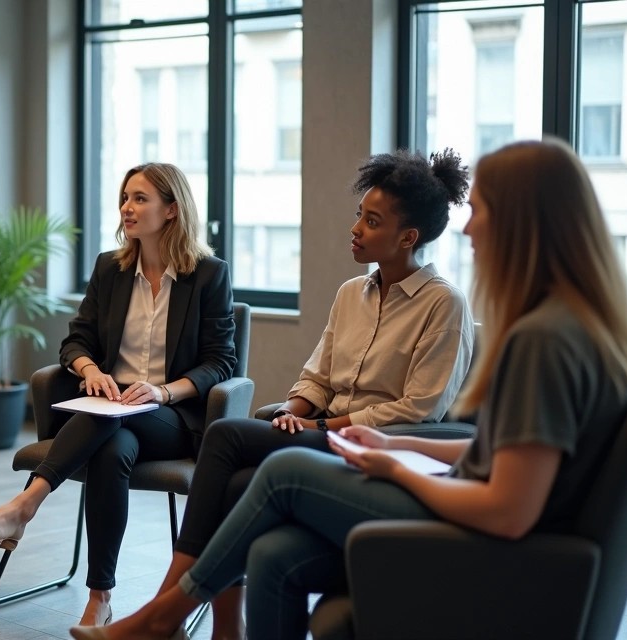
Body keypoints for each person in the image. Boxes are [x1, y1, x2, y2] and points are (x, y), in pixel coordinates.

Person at [72, 139, 627, 640]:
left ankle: (162, 614)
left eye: (483, 210)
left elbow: (508, 508)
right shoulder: (568, 327)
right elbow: (497, 453)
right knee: (272, 552)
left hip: (497, 549)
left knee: (281, 470)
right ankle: (196, 621)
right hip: (432, 474)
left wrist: (389, 456)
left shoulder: (543, 340)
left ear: (525, 223)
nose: (468, 227)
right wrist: (388, 449)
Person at [163, 149, 474, 639]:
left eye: (372, 222)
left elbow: (420, 409)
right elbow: (318, 377)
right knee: (237, 482)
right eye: (359, 215)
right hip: (320, 429)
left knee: (224, 437)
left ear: (408, 237)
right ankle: (218, 626)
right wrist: (292, 409)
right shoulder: (351, 292)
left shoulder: (444, 304)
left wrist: (321, 426)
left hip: (370, 446)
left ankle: (170, 607)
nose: (356, 229)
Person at [0, 162, 238, 626]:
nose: (126, 208)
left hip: (172, 416)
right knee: (112, 450)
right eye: (124, 197)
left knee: (113, 426)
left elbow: (221, 362)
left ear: (171, 210)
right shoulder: (109, 269)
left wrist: (161, 392)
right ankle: (100, 598)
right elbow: (75, 340)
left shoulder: (208, 275)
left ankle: (24, 504)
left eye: (140, 198)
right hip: (110, 414)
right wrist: (90, 370)